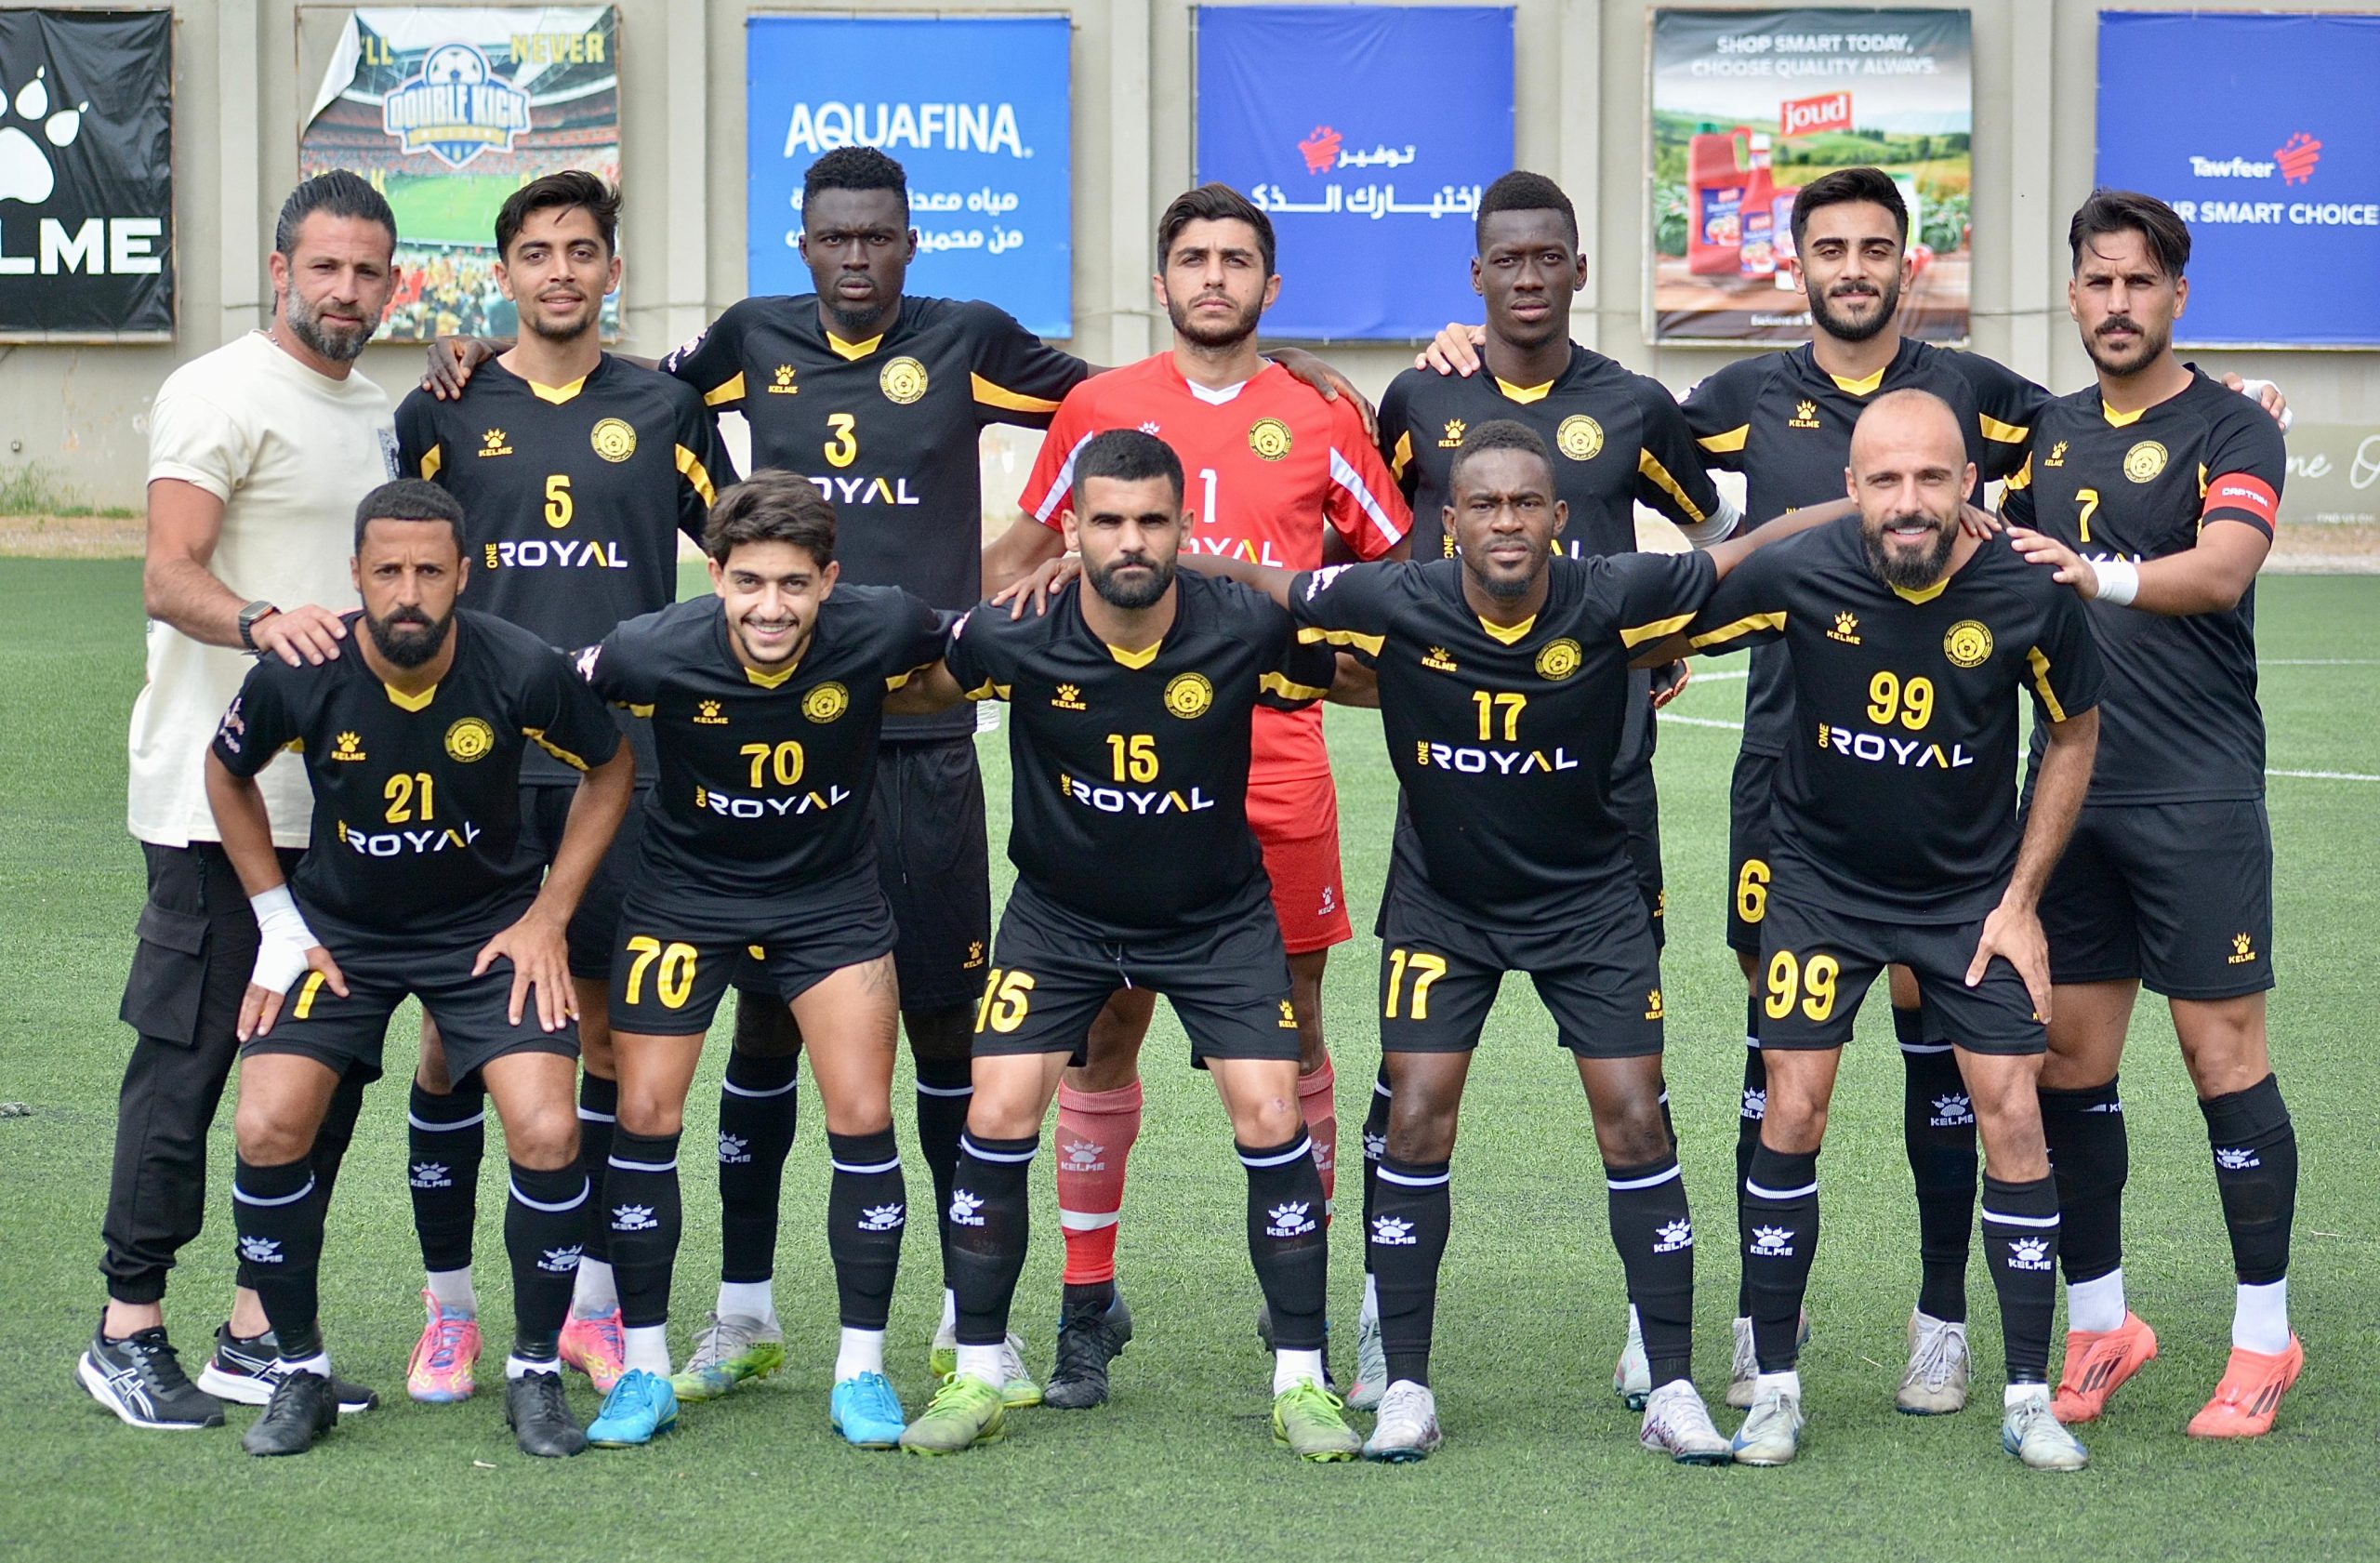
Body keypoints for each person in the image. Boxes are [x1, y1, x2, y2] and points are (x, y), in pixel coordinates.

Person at [427, 150, 1370, 1402]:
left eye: (877, 235)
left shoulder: (966, 338)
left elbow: (1131, 397)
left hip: (921, 731)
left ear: (911, 242)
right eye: (834, 236)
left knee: (943, 1028)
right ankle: (744, 1311)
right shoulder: (748, 338)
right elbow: (615, 385)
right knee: (765, 1029)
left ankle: (963, 1323)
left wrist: (1274, 366)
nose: (856, 255)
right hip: (773, 726)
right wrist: (485, 358)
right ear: (803, 244)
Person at [1425, 166, 2286, 1415]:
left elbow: (2118, 425)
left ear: (1905, 263)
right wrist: (1465, 357)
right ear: (1799, 265)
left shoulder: (1984, 401)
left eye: (1875, 247)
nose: (1853, 268)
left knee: (1951, 1048)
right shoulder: (1735, 402)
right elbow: (1600, 446)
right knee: (1781, 1058)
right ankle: (1753, 1322)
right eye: (1829, 248)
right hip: (1785, 777)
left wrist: (2232, 402)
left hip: (1949, 780)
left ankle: (1943, 1318)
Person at [1184, 419, 1810, 1464]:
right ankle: (1405, 1388)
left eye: (1526, 503)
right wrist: (1146, 556)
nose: (1506, 521)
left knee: (1636, 1121)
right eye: (1485, 504)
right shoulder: (1397, 597)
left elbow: (1744, 553)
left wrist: (1872, 505)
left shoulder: (1611, 592)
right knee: (1414, 1115)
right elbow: (1268, 581)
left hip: (1590, 904)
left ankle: (1670, 1386)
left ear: (1559, 518)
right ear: (1452, 522)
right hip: (1446, 906)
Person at [997, 184, 1410, 1407]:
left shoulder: (1320, 414)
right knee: (1104, 1025)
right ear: (1162, 279)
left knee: (1293, 1026)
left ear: (1269, 287)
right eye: (1193, 257)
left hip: (1274, 763)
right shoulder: (1099, 407)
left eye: (1236, 259)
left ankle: (1300, 1299)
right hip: (1115, 769)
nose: (1214, 277)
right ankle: (1087, 1301)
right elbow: (1029, 555)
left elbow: (1392, 576)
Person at [892, 430, 1360, 1462]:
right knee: (994, 1109)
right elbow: (917, 686)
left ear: (1184, 525)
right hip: (1060, 919)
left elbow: (1356, 674)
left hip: (1215, 918)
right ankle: (979, 1370)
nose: (1131, 540)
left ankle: (1302, 1378)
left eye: (1152, 520)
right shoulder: (1017, 629)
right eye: (1108, 520)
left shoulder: (1242, 622)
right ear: (1072, 528)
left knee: (1271, 1110)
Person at [1670, 388, 2103, 1470]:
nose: (1909, 501)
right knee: (1792, 1107)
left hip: (1967, 901)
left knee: (2013, 1115)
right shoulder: (1801, 570)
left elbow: (2071, 733)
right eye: (1885, 480)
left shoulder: (2028, 590)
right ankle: (1774, 1388)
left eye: (1931, 478)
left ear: (1970, 485)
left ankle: (2025, 1396)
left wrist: (2020, 899)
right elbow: (1678, 614)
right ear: (1851, 487)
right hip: (1820, 891)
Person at [1364, 169, 1734, 1411]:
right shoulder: (1420, 395)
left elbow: (1711, 525)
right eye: (1506, 260)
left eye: (1548, 258)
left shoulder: (1633, 403)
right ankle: (1381, 1310)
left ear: (1579, 269)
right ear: (1476, 273)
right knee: (1410, 1075)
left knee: (1632, 1072)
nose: (1527, 278)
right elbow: (1372, 525)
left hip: (1604, 788)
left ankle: (1649, 1326)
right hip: (1456, 784)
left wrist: (1665, 638)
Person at [391, 172, 734, 1405]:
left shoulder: (665, 408)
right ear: (504, 274)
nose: (559, 272)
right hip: (472, 771)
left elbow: (738, 551)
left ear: (611, 271)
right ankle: (449, 1312)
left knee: (598, 1031)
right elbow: (399, 569)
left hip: (614, 770)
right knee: (452, 1040)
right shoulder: (442, 407)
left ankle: (590, 1307)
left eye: (581, 251)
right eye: (535, 253)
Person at [205, 479, 635, 1456]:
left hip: (484, 931)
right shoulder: (301, 668)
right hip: (340, 932)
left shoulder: (519, 666)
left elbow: (609, 767)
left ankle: (533, 1372)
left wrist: (549, 914)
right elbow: (225, 772)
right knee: (268, 1123)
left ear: (463, 575)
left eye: (430, 571)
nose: (409, 592)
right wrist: (276, 919)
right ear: (355, 574)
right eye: (388, 570)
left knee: (547, 1126)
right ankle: (300, 1371)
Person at [83, 171, 403, 1432]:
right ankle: (126, 1328)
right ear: (281, 271)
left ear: (394, 284)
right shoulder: (217, 389)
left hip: (345, 814)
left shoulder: (374, 409)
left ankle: (257, 1332)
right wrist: (265, 620)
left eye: (367, 272)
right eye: (324, 267)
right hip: (215, 804)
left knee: (317, 1079)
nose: (345, 291)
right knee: (191, 1064)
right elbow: (169, 574)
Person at [567, 471, 952, 1450]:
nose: (769, 607)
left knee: (861, 1114)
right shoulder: (651, 648)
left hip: (829, 903)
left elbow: (984, 646)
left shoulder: (884, 624)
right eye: (747, 583)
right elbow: (543, 692)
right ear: (715, 576)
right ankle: (644, 1369)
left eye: (791, 583)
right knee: (645, 1114)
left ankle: (860, 1370)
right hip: (682, 900)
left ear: (829, 580)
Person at [2004, 191, 2299, 1438]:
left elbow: (2224, 568)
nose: (2117, 303)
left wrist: (2098, 574)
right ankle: (2103, 1325)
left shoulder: (2234, 423)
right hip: (2070, 799)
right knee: (2069, 1066)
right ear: (2072, 293)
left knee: (2220, 1058)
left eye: (2140, 282)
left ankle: (2264, 1340)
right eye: (2098, 281)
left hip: (2196, 791)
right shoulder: (2041, 432)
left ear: (2178, 293)